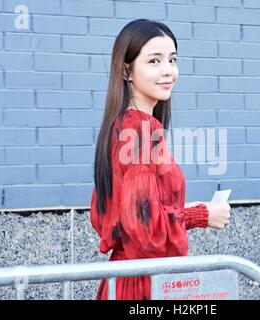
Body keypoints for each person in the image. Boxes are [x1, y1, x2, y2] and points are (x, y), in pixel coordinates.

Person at [89, 19, 231, 300]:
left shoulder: (127, 126)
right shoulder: (137, 131)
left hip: (133, 278)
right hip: (141, 284)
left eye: (172, 60)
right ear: (127, 70)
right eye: (154, 61)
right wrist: (202, 215)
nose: (168, 71)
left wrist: (182, 209)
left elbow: (128, 213)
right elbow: (142, 227)